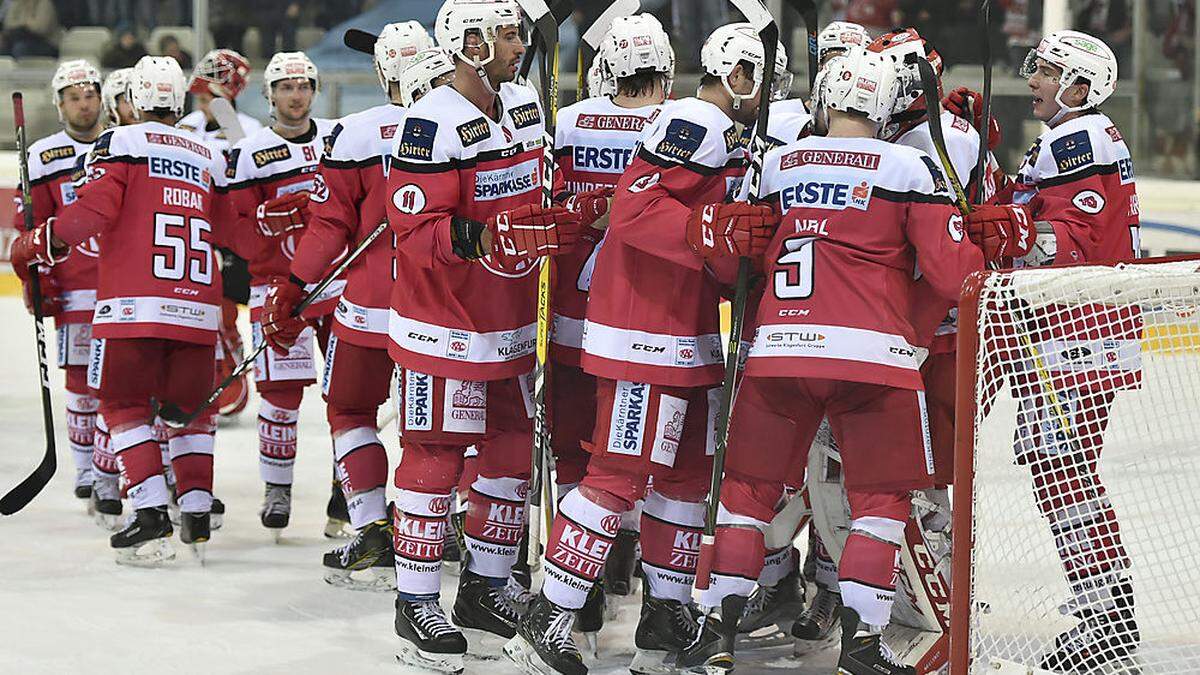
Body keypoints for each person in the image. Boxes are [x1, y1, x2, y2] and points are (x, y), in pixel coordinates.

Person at [683, 46, 983, 674]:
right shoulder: (910, 166)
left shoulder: (775, 162)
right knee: (880, 502)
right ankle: (862, 645)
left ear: (825, 98)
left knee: (746, 495)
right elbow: (958, 275)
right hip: (873, 359)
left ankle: (716, 633)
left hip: (778, 354)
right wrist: (977, 236)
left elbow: (732, 261)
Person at [504, 22, 787, 675]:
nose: (763, 88)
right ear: (731, 72)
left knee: (687, 477)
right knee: (617, 474)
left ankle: (664, 611)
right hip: (644, 332)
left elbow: (710, 248)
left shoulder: (732, 136)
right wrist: (708, 223)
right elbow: (634, 207)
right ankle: (548, 614)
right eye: (754, 74)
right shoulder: (693, 119)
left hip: (686, 333)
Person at [382, 0, 591, 670]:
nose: (519, 42)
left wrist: (559, 211)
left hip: (512, 318)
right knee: (437, 453)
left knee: (509, 450)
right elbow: (413, 231)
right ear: (467, 43)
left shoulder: (525, 100)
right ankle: (415, 600)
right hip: (445, 323)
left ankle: (484, 584)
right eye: (506, 33)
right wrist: (482, 236)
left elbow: (535, 189)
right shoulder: (430, 121)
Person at [958, 30, 1142, 672]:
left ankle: (1109, 617)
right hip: (1073, 329)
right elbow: (1027, 206)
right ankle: (1104, 608)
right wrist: (979, 156)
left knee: (1064, 474)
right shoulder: (1078, 137)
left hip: (1077, 333)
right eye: (1034, 67)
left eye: (1046, 70)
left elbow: (1075, 239)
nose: (1032, 79)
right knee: (1057, 471)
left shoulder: (1081, 135)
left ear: (1082, 87)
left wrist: (1011, 231)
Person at [9, 56, 238, 565]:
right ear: (178, 99)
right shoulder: (209, 152)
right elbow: (234, 230)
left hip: (134, 305)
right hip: (197, 308)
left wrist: (37, 243)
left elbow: (93, 211)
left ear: (132, 99)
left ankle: (152, 509)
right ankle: (196, 508)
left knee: (123, 405)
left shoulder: (120, 143)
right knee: (191, 412)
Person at [262, 22, 442, 590]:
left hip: (367, 310)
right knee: (442, 430)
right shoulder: (466, 127)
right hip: (443, 315)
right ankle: (447, 530)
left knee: (350, 410)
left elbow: (330, 225)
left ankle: (370, 528)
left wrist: (294, 286)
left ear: (384, 72)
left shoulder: (353, 133)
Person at [542, 12, 675, 641]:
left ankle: (581, 586)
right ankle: (625, 559)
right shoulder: (681, 128)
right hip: (647, 322)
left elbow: (545, 205)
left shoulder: (567, 123)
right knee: (642, 455)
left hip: (572, 317)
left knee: (575, 448)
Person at [224, 50, 338, 540]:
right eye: (287, 87)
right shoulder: (249, 152)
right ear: (269, 95)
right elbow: (232, 228)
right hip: (277, 287)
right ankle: (277, 488)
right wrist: (263, 225)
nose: (297, 95)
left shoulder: (336, 139)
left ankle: (347, 493)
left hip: (339, 284)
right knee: (280, 398)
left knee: (348, 399)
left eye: (304, 86)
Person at [9, 60, 104, 506]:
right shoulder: (43, 155)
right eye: (74, 97)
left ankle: (115, 464)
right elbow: (27, 228)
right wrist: (36, 278)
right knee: (83, 385)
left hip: (123, 289)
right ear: (60, 105)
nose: (84, 104)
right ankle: (86, 471)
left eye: (90, 95)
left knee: (124, 388)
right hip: (76, 291)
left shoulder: (117, 145)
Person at [179, 49, 262, 423]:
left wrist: (223, 109)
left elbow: (244, 157)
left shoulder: (249, 129)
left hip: (235, 234)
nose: (202, 105)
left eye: (208, 97)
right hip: (197, 232)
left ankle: (235, 377)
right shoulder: (188, 125)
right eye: (199, 98)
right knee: (212, 313)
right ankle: (222, 379)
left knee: (227, 312)